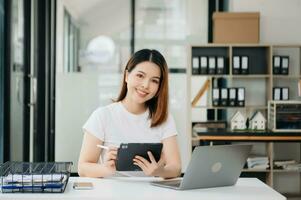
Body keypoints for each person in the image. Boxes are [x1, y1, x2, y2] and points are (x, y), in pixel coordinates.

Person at [78, 49, 181, 178]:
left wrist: (159, 171)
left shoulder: (164, 119)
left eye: (154, 80)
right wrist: (106, 169)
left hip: (151, 194)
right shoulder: (102, 116)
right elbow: (83, 167)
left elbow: (175, 168)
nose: (145, 85)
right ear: (127, 76)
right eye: (140, 76)